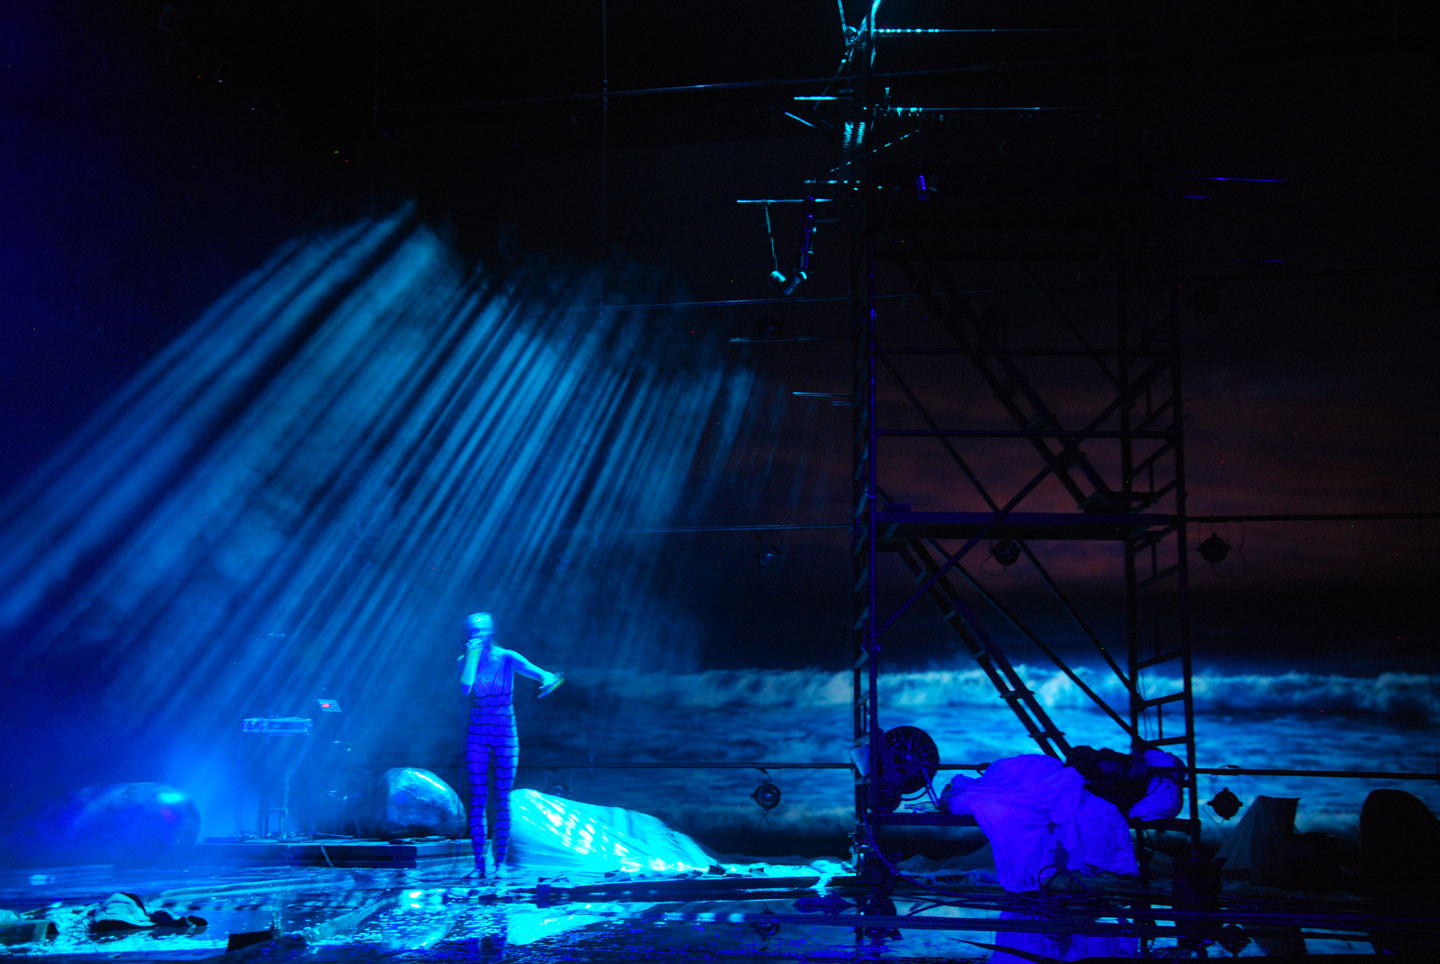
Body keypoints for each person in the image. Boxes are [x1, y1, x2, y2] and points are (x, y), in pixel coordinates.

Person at [458, 612, 560, 877]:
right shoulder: (464, 660)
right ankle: (479, 865)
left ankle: (500, 864)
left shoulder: (507, 657)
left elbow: (538, 672)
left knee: (502, 798)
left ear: (489, 632)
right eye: (471, 631)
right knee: (477, 799)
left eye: (480, 631)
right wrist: (471, 657)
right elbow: (466, 687)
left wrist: (548, 678)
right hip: (478, 732)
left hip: (505, 732)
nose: (475, 635)